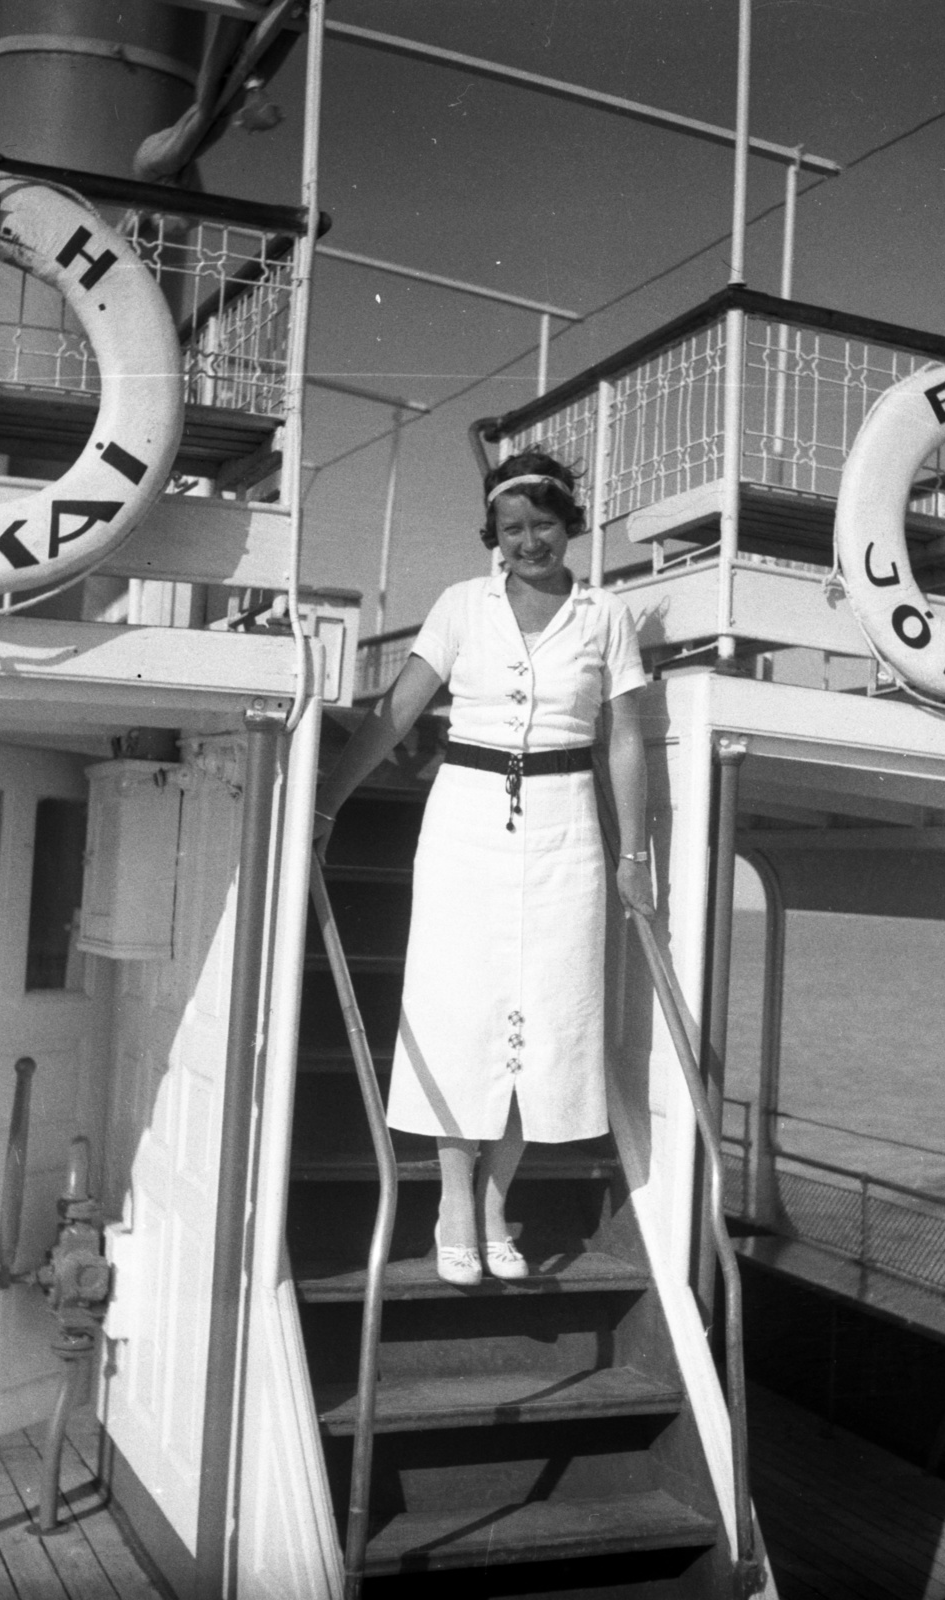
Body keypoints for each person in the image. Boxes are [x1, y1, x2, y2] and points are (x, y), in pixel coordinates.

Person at [313, 449, 654, 1285]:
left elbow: (627, 738)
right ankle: (453, 1204)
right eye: (512, 529)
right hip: (466, 820)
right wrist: (326, 803)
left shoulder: (605, 617)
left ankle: (498, 1199)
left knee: (547, 1020)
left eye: (543, 525)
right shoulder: (461, 606)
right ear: (492, 536)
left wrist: (635, 855)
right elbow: (396, 713)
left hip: (567, 831)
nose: (528, 541)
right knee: (459, 1011)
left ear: (568, 526)